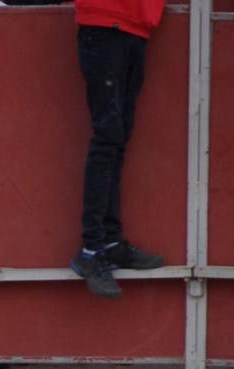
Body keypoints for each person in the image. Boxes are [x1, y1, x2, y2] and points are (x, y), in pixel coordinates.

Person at [68, 0, 167, 299]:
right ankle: (91, 248)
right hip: (106, 25)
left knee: (116, 140)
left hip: (133, 29)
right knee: (109, 138)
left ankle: (108, 242)